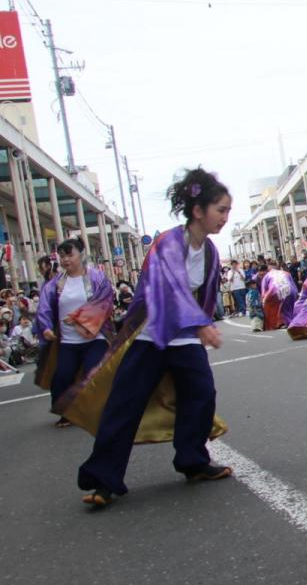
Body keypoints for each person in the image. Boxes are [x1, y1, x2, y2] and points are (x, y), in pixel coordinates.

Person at [62, 168, 233, 508]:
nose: (225, 218)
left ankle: (193, 461)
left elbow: (204, 295)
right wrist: (201, 323)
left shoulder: (210, 251)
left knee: (201, 396)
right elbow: (164, 286)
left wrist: (200, 324)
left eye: (228, 210)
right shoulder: (169, 241)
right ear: (198, 210)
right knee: (125, 405)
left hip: (183, 338)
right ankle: (102, 480)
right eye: (221, 210)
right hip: (151, 335)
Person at [34, 238, 113, 428]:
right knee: (62, 376)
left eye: (70, 255)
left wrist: (80, 317)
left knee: (93, 372)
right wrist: (45, 327)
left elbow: (106, 300)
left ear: (81, 254)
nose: (66, 260)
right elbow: (43, 308)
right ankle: (66, 413)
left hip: (95, 337)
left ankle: (99, 411)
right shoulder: (54, 284)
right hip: (68, 341)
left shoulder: (97, 278)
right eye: (62, 256)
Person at [260, 261, 298, 330]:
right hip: (290, 290)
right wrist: (296, 294)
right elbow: (293, 285)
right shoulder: (286, 273)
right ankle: (290, 322)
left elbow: (264, 293)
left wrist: (264, 300)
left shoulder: (267, 276)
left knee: (279, 308)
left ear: (268, 269)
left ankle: (284, 323)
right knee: (288, 307)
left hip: (276, 292)